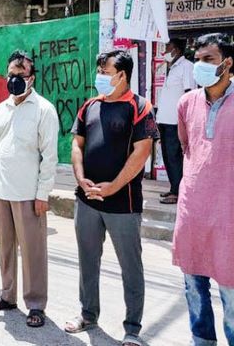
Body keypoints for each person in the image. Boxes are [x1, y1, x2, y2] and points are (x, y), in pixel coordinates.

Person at [65, 50, 159, 346]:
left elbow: (141, 153)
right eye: (100, 71)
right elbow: (76, 145)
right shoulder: (89, 105)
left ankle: (132, 327)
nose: (100, 77)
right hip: (86, 200)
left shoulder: (140, 106)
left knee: (130, 266)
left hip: (124, 204)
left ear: (122, 75)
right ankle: (88, 313)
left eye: (106, 72)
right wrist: (81, 179)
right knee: (87, 261)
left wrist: (112, 187)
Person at [0, 50, 59, 328]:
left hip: (28, 194)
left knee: (33, 250)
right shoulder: (0, 109)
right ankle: (7, 295)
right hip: (1, 191)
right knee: (5, 248)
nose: (14, 79)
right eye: (11, 74)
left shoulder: (44, 110)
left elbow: (49, 157)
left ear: (32, 78)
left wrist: (42, 194)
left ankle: (36, 304)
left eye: (20, 75)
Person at [172, 33, 234, 346]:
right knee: (194, 290)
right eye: (197, 59)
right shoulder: (186, 103)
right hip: (192, 212)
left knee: (231, 297)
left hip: (229, 218)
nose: (200, 65)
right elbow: (188, 147)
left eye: (208, 59)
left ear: (228, 63)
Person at [157, 38, 196, 204]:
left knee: (174, 156)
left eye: (168, 46)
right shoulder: (171, 67)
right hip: (164, 119)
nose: (165, 49)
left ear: (177, 49)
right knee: (167, 155)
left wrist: (186, 121)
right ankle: (174, 188)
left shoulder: (187, 66)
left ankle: (178, 192)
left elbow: (190, 94)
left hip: (175, 121)